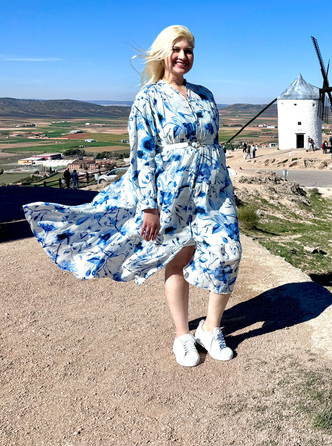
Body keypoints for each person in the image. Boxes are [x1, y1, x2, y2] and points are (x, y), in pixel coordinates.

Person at [24, 25, 241, 368]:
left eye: (189, 50)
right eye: (177, 49)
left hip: (214, 195)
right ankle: (183, 336)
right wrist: (149, 207)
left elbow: (213, 146)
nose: (183, 56)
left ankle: (210, 330)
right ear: (163, 54)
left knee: (228, 253)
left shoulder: (205, 95)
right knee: (178, 259)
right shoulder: (148, 98)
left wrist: (224, 187)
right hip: (172, 194)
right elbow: (143, 155)